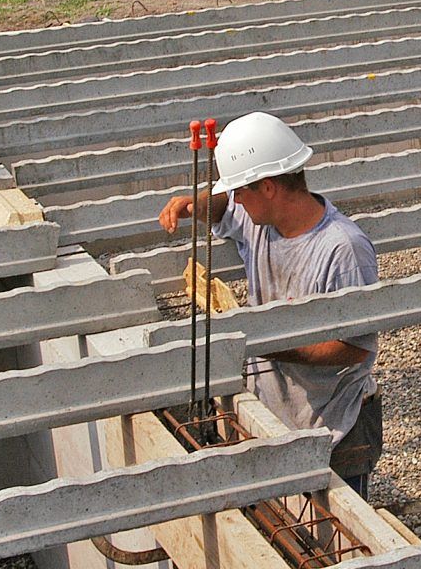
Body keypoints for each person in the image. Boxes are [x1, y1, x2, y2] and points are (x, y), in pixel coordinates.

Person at [158, 112, 384, 495]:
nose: (236, 201)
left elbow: (354, 348)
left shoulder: (343, 249)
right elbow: (221, 207)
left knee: (333, 525)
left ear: (267, 187)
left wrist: (266, 343)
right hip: (278, 414)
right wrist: (193, 204)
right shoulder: (259, 221)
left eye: (240, 191)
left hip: (336, 426)